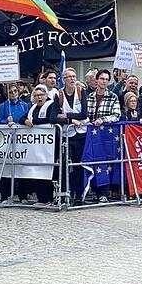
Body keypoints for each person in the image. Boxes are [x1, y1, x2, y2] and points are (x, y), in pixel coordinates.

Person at [85, 70, 120, 203]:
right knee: (92, 161)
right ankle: (93, 191)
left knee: (104, 163)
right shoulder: (89, 96)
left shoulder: (113, 96)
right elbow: (85, 114)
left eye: (106, 79)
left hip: (105, 134)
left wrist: (103, 120)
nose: (104, 81)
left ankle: (104, 193)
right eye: (102, 78)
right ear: (96, 80)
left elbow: (116, 115)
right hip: (91, 134)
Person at [56, 69, 88, 206]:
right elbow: (54, 117)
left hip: (81, 134)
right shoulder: (59, 94)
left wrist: (67, 116)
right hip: (66, 134)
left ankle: (79, 194)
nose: (72, 79)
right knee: (64, 165)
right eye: (69, 77)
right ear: (64, 79)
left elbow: (84, 114)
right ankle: (63, 193)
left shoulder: (81, 92)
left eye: (74, 76)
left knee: (78, 165)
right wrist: (71, 121)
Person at [23, 85, 58, 207]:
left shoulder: (51, 105)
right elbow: (23, 118)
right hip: (37, 146)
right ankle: (41, 198)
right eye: (37, 95)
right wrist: (25, 121)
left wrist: (34, 121)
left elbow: (50, 119)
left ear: (46, 95)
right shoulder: (32, 108)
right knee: (38, 170)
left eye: (41, 95)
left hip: (50, 145)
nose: (39, 97)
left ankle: (48, 198)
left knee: (48, 171)